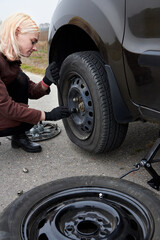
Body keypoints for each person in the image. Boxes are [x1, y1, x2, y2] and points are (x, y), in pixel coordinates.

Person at [0, 13, 71, 153]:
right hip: (4, 109)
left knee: (20, 80)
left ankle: (18, 137)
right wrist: (47, 115)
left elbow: (30, 90)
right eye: (32, 41)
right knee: (27, 119)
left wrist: (46, 80)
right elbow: (7, 108)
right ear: (16, 33)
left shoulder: (11, 62)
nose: (35, 47)